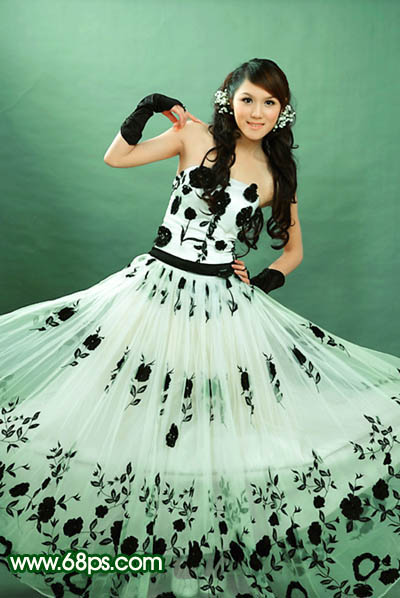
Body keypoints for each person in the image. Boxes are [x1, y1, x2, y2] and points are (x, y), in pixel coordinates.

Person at [0, 58, 399, 598]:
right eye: (248, 99)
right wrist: (148, 107)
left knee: (220, 436)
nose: (257, 112)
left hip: (223, 308)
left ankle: (199, 574)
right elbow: (117, 157)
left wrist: (261, 281)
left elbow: (294, 250)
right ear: (228, 99)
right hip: (153, 295)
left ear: (282, 112)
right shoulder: (193, 136)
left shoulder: (277, 173)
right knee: (134, 424)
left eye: (270, 103)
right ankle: (145, 568)